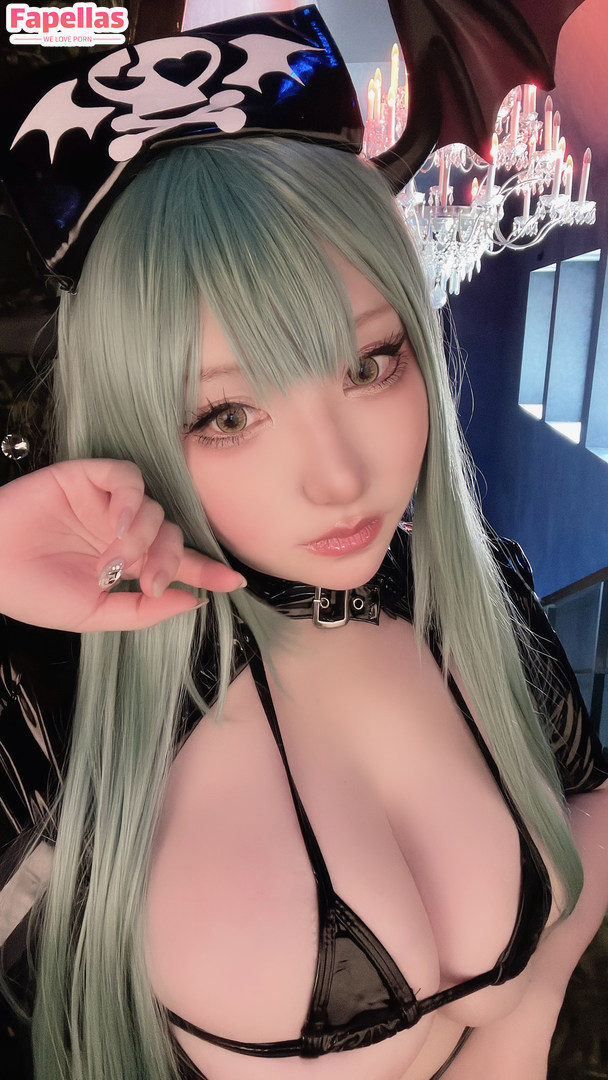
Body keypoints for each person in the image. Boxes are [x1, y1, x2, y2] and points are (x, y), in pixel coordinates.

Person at [1, 8, 607, 1080]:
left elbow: (591, 798)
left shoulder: (470, 589)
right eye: (228, 415)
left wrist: (530, 1006)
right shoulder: (59, 683)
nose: (338, 476)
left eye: (369, 364)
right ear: (137, 425)